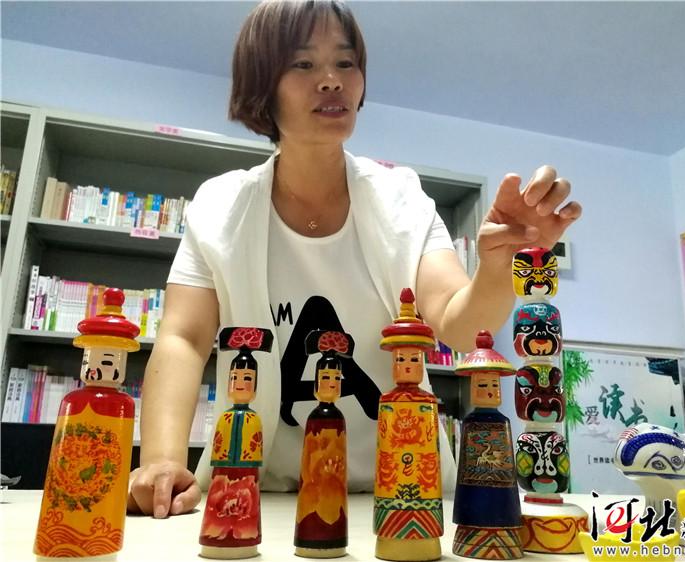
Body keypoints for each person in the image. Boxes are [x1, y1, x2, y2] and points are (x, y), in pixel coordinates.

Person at [127, 0, 582, 518]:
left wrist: (499, 268)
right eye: (303, 63)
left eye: (346, 62)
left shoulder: (403, 198)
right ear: (262, 85)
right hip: (253, 493)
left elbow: (459, 324)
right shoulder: (219, 205)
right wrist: (161, 461)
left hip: (404, 492)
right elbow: (184, 338)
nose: (331, 80)